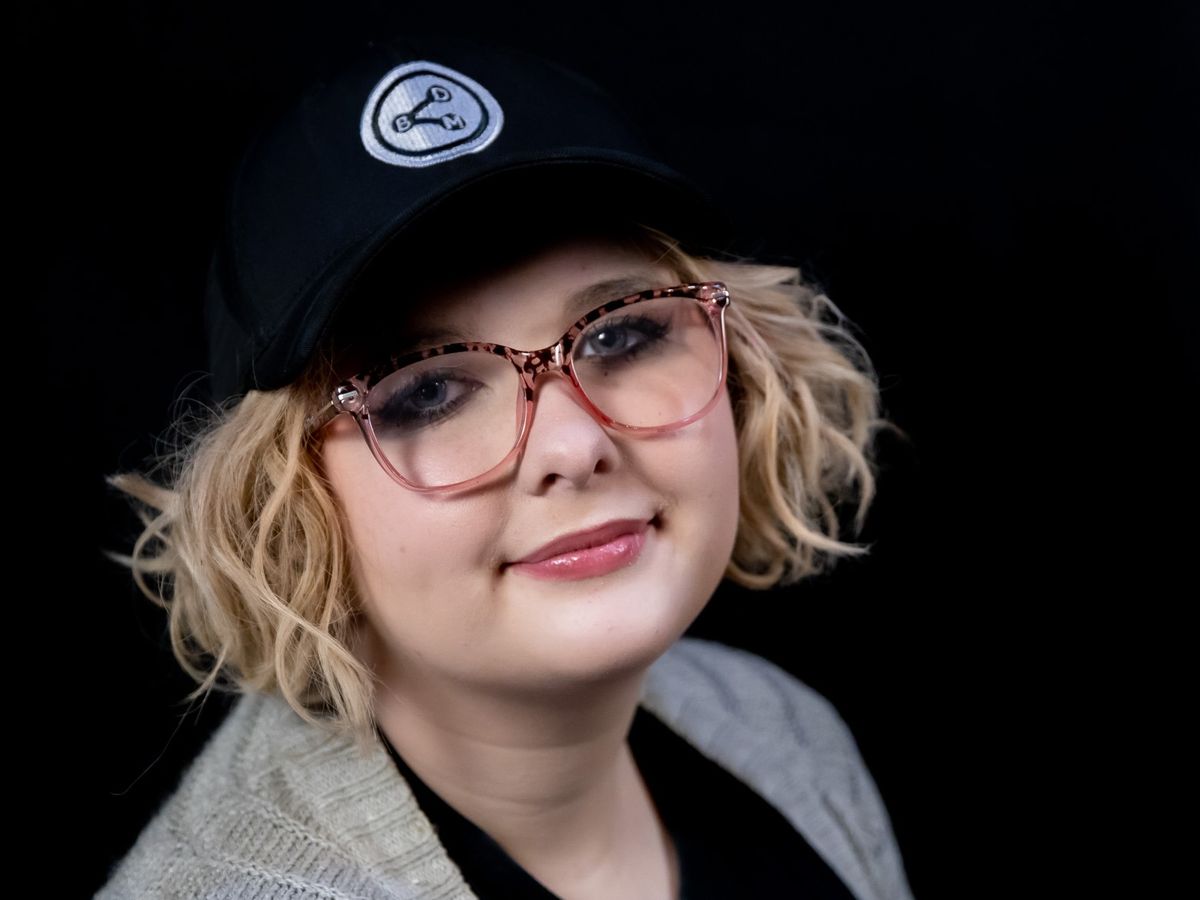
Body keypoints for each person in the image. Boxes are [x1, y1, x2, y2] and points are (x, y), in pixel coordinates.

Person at [97, 32, 916, 900]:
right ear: (285, 505)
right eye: (428, 393)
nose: (573, 446)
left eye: (621, 334)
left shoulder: (785, 735)